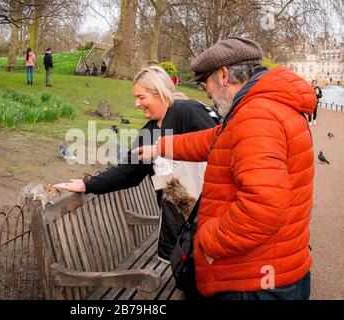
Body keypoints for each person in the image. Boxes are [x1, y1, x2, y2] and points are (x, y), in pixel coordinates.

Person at [135, 37, 317, 300]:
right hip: (279, 268)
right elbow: (216, 139)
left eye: (205, 83)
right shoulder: (266, 106)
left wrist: (206, 240)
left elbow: (262, 210)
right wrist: (160, 147)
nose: (206, 92)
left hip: (253, 282)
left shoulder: (256, 116)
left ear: (223, 76)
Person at [54, 66, 218, 262]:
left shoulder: (186, 111)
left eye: (141, 97)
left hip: (211, 218)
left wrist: (164, 149)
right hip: (180, 227)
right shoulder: (149, 132)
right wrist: (88, 184)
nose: (137, 103)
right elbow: (129, 171)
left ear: (160, 93)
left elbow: (219, 148)